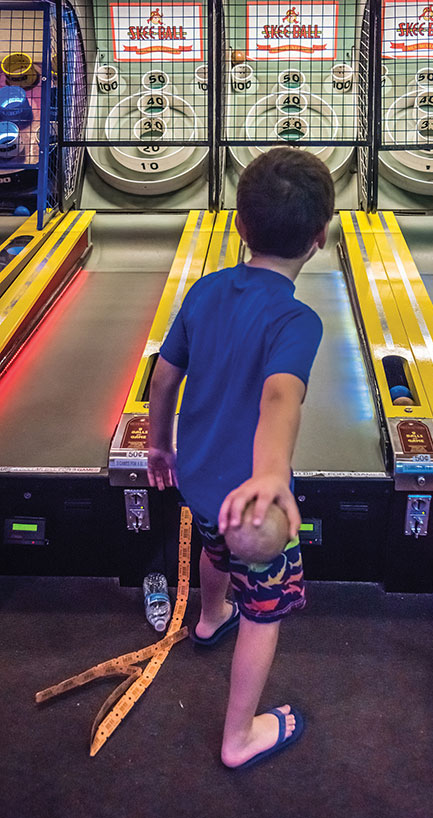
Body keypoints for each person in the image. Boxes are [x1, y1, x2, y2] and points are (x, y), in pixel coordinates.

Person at [147, 146, 334, 768]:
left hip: (198, 479)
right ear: (320, 238)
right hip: (253, 503)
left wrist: (158, 442)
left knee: (211, 545)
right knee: (265, 610)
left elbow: (166, 375)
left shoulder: (205, 291)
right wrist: (271, 477)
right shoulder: (296, 319)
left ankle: (207, 619)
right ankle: (239, 738)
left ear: (238, 225)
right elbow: (283, 394)